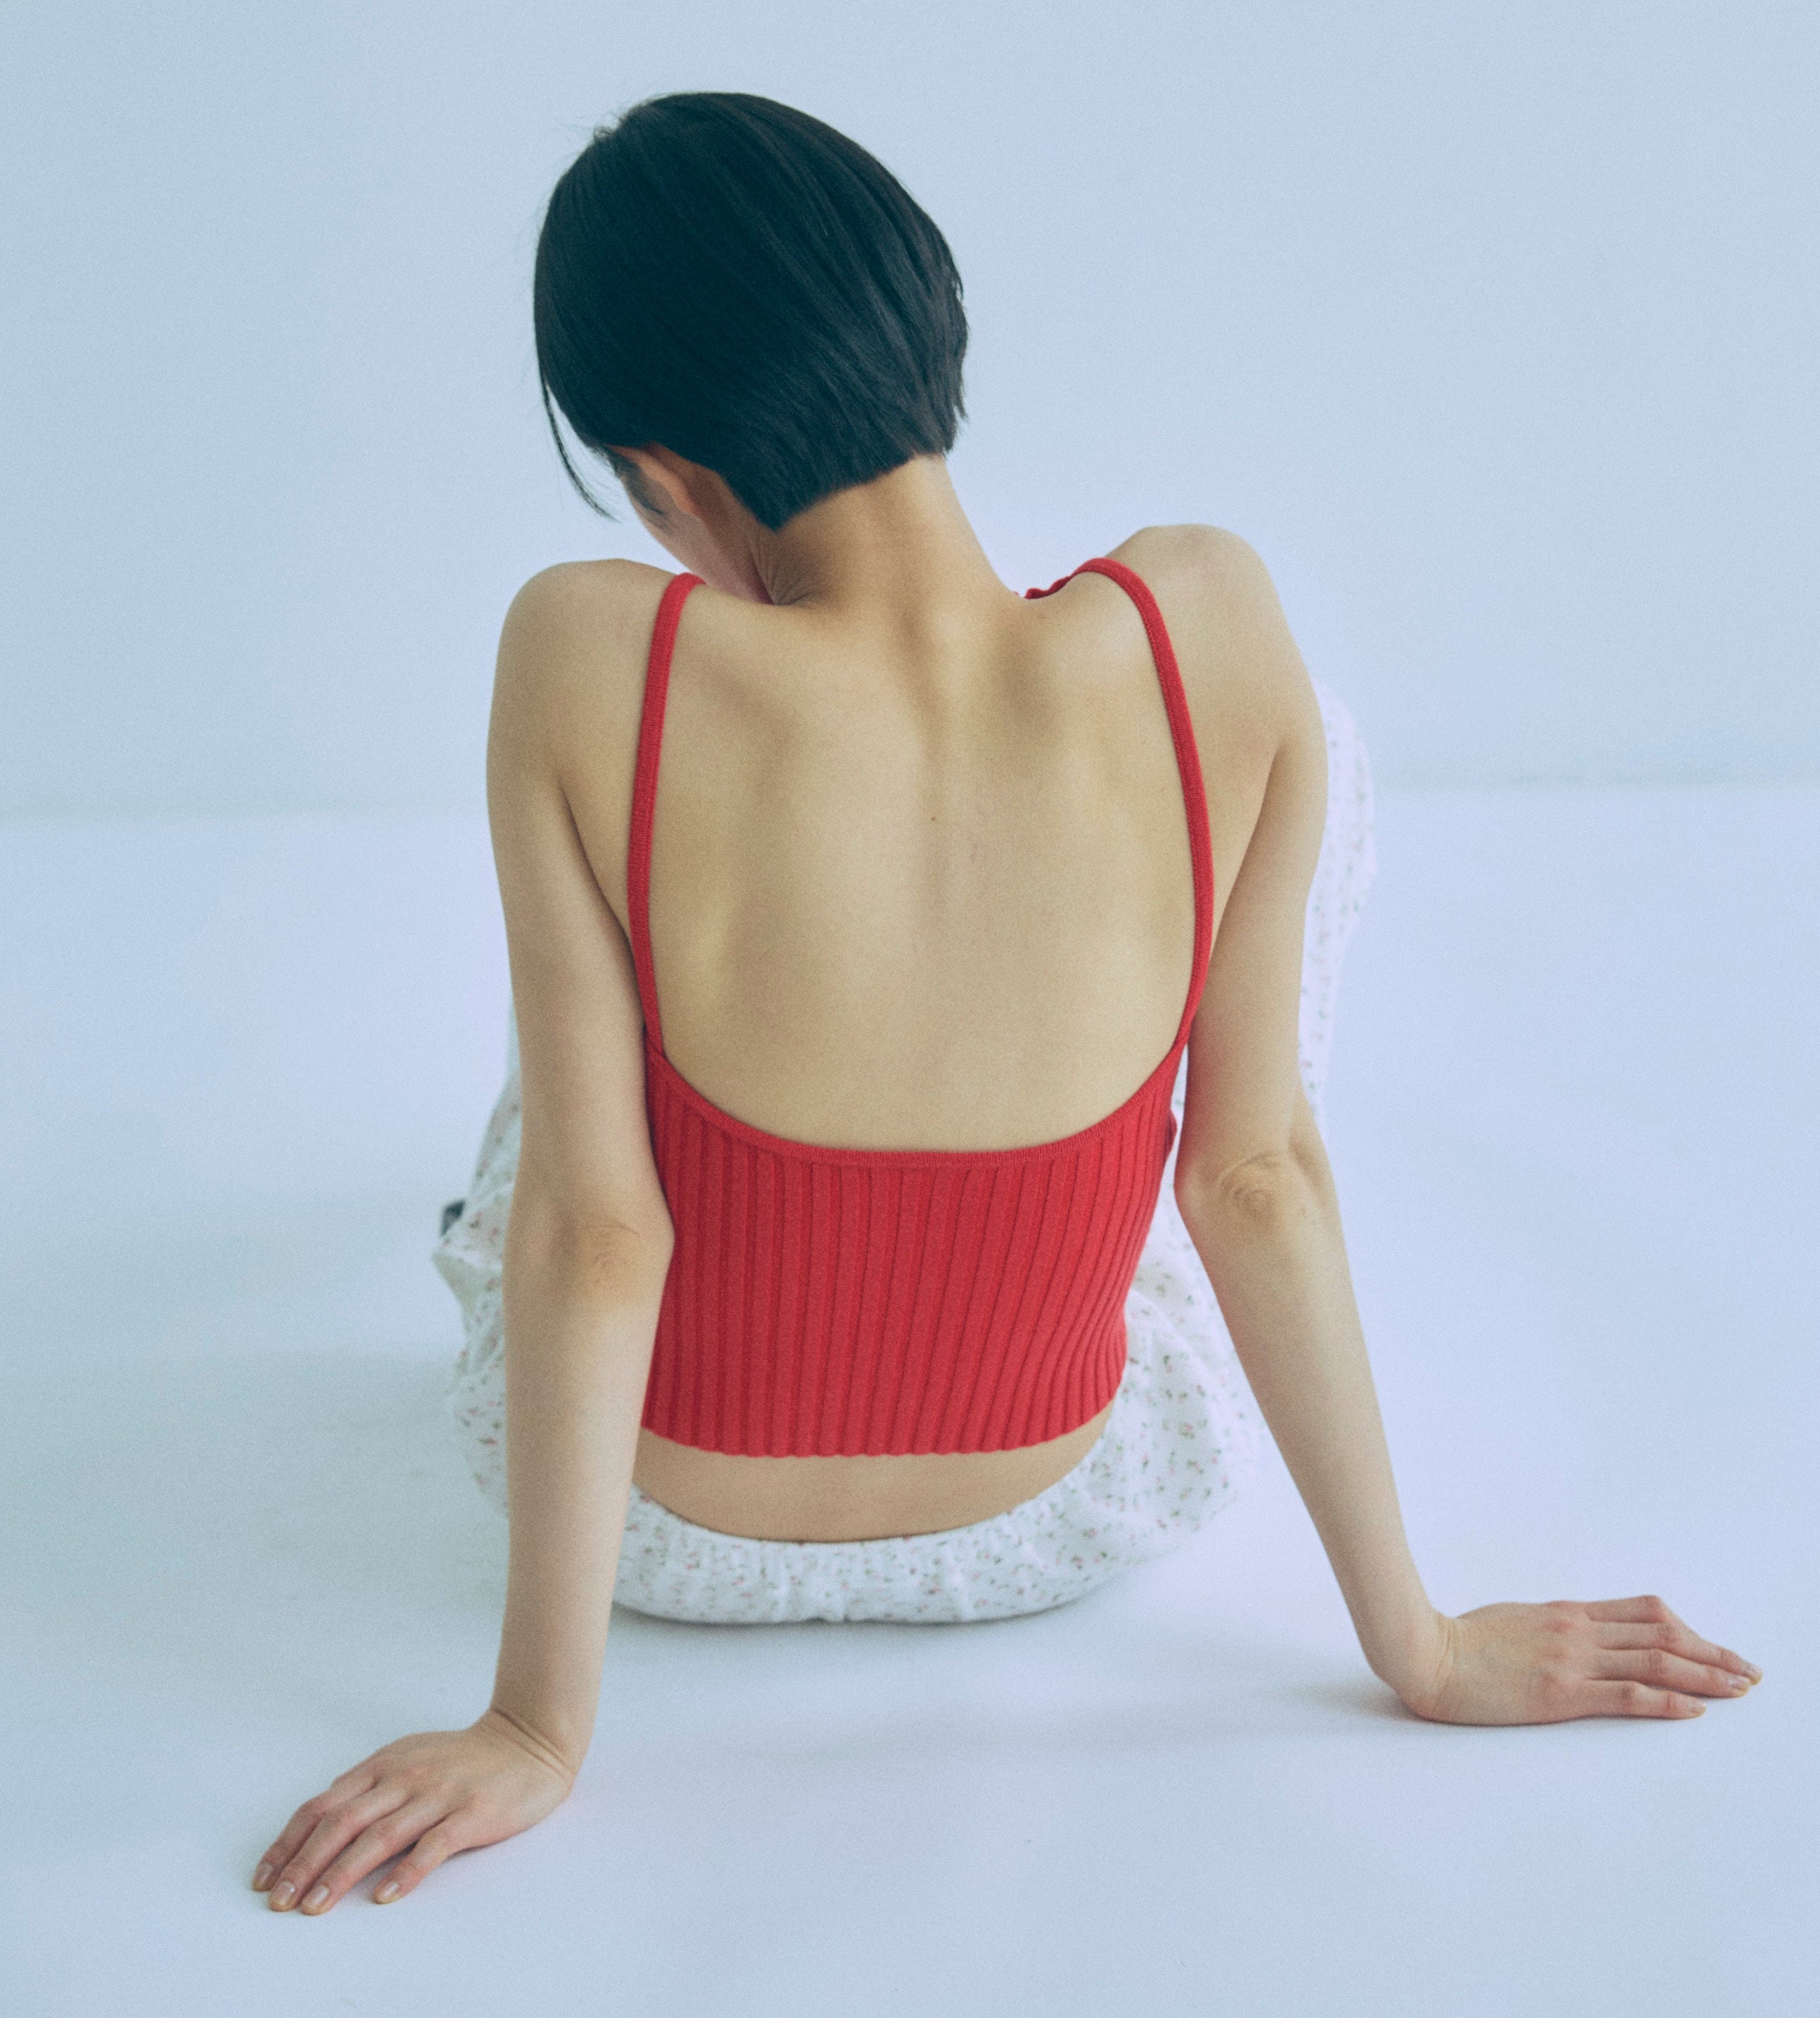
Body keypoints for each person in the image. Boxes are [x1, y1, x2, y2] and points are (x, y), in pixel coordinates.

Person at [254, 93, 1757, 1918]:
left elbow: (592, 1231)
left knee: (602, 948)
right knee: (1298, 765)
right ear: (930, 332)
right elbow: (1252, 1179)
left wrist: (535, 1725)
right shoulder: (1211, 614)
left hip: (656, 1535)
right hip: (1062, 1519)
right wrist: (1419, 1646)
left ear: (661, 475)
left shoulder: (584, 647)